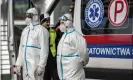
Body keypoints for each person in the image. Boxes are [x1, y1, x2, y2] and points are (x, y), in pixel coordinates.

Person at [15, 8, 49, 80]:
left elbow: (44, 50)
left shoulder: (42, 30)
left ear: (35, 17)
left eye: (29, 16)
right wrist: (18, 64)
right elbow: (21, 49)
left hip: (36, 67)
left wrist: (41, 66)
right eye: (26, 16)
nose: (27, 18)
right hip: (25, 67)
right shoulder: (25, 30)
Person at [57, 13, 89, 80]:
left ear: (69, 22)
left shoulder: (76, 36)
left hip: (74, 74)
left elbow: (84, 54)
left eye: (62, 23)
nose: (61, 25)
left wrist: (79, 63)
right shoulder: (64, 35)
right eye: (60, 23)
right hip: (65, 73)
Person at [40, 13, 59, 80]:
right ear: (41, 22)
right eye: (46, 21)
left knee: (56, 77)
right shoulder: (38, 32)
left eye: (49, 21)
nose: (48, 23)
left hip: (52, 58)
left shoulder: (53, 32)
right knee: (45, 77)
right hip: (42, 59)